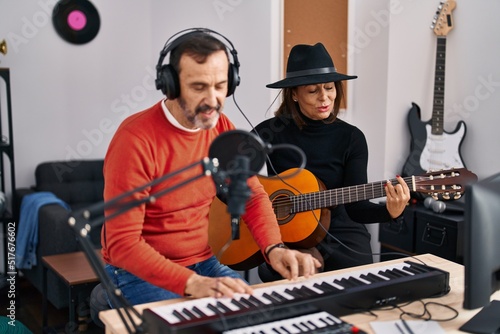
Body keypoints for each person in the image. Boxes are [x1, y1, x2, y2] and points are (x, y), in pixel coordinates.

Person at [100, 28, 321, 306]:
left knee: (256, 312)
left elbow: (253, 195)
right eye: (198, 87)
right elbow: (122, 244)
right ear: (170, 84)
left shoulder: (222, 128)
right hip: (136, 273)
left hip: (203, 263)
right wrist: (191, 284)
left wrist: (274, 248)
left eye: (220, 86)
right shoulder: (134, 140)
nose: (213, 100)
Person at [255, 43, 411, 282]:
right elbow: (231, 177)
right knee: (291, 282)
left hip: (342, 230)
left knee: (359, 286)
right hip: (288, 232)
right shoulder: (269, 133)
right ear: (294, 94)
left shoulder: (352, 138)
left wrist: (390, 212)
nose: (324, 97)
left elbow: (358, 209)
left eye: (329, 88)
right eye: (312, 91)